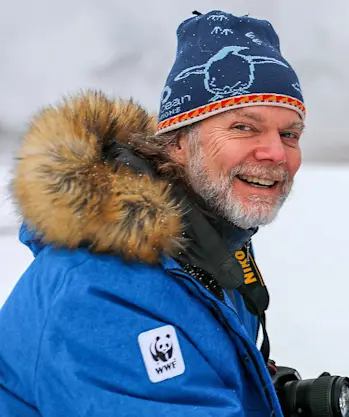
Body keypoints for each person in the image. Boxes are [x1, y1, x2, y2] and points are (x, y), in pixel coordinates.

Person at [0, 10, 307, 416]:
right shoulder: (102, 287)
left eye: (289, 134)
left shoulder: (205, 246)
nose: (275, 153)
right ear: (178, 142)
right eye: (244, 128)